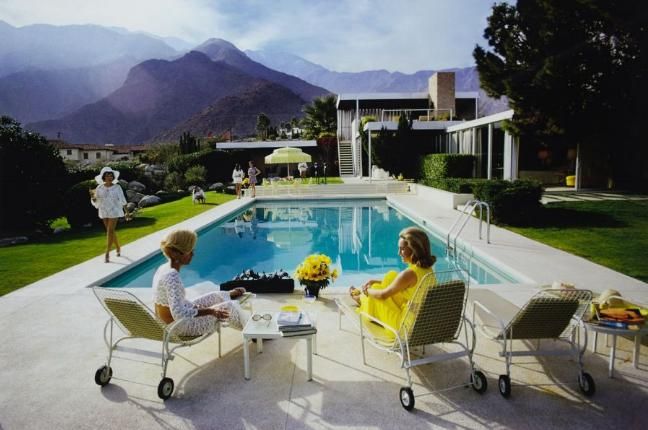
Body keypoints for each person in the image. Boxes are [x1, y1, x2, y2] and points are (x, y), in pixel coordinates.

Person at [153, 229, 248, 336]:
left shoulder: (163, 268)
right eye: (189, 251)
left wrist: (194, 307)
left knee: (214, 296)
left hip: (170, 322)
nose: (193, 254)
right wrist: (211, 311)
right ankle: (252, 333)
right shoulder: (172, 276)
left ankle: (228, 294)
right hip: (178, 327)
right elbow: (179, 313)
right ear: (177, 254)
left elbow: (173, 302)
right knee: (229, 306)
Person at [349, 227, 436, 329]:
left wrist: (366, 291)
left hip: (404, 325)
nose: (399, 253)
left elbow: (382, 295)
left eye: (402, 249)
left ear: (414, 250)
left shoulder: (409, 274)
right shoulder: (427, 269)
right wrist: (376, 281)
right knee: (391, 276)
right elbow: (403, 284)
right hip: (419, 320)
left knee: (376, 289)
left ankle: (361, 298)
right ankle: (364, 298)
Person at [90, 166, 127, 263]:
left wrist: (127, 212)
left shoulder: (117, 187)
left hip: (114, 210)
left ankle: (107, 253)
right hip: (104, 211)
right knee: (110, 231)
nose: (110, 177)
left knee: (110, 231)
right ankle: (118, 247)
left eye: (111, 175)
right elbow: (96, 200)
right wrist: (94, 199)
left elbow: (122, 199)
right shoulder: (99, 188)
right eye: (107, 175)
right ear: (104, 177)